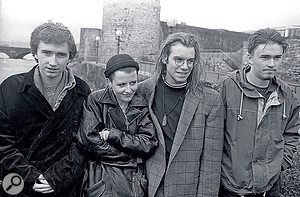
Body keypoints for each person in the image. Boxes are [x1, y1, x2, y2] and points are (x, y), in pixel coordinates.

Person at [0, 21, 91, 197]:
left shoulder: (81, 91)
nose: (53, 62)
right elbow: (3, 142)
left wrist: (56, 177)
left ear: (70, 57)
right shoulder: (10, 88)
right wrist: (32, 177)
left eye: (61, 54)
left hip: (62, 186)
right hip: (18, 183)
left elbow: (83, 142)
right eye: (46, 53)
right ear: (35, 53)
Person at [137, 32, 225, 196]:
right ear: (165, 58)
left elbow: (211, 162)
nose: (185, 67)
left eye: (190, 61)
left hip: (186, 190)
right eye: (179, 60)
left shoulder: (210, 99)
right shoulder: (144, 90)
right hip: (147, 186)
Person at [217, 28, 300, 197]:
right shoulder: (225, 88)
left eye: (277, 57)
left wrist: (281, 163)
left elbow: (293, 132)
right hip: (230, 187)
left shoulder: (287, 95)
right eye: (265, 57)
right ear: (250, 58)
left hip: (270, 187)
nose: (272, 64)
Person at [77, 53, 158, 197]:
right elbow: (88, 141)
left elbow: (148, 143)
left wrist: (114, 135)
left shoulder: (141, 104)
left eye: (133, 83)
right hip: (102, 180)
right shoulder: (96, 100)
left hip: (133, 183)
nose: (128, 90)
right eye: (121, 85)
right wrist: (131, 158)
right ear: (109, 82)